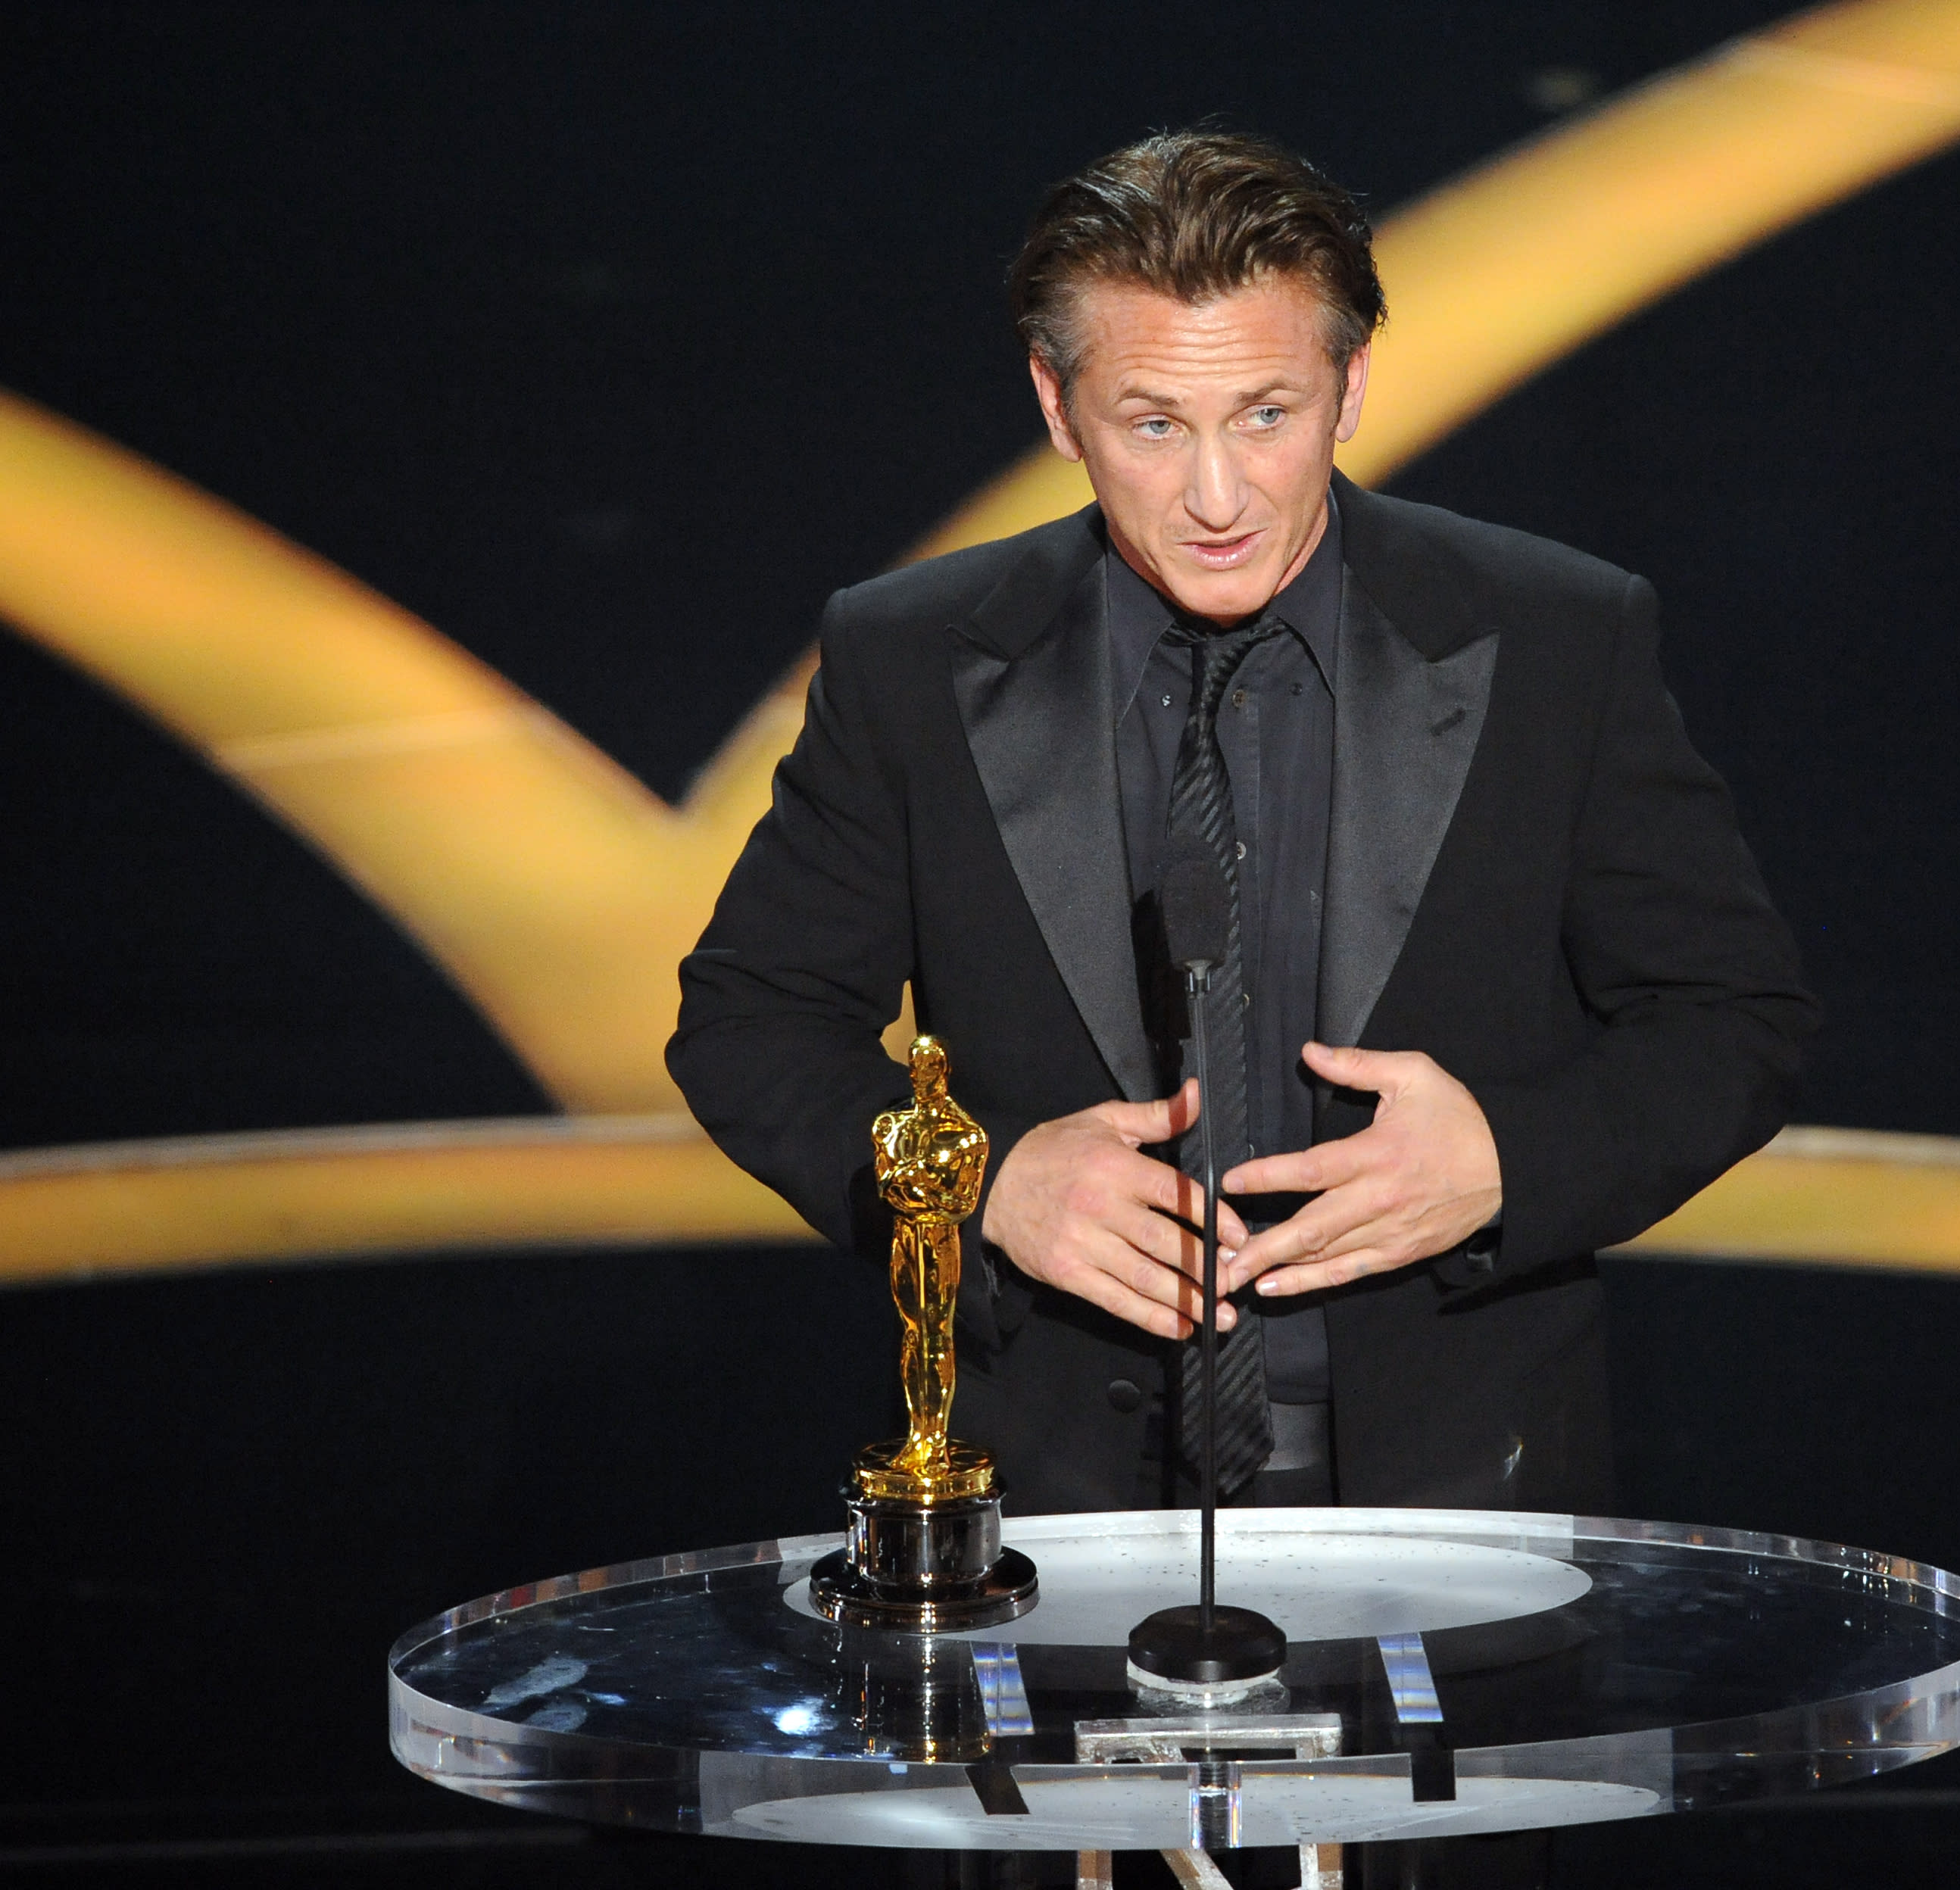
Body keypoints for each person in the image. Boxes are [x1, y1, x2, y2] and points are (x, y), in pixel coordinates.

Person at [669, 129, 1815, 1518]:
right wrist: (986, 1188)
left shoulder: (1557, 636)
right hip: (1053, 1506)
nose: (1218, 499)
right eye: (1155, 425)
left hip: (1466, 1499)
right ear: (1057, 406)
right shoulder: (911, 658)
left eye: (1266, 415)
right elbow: (751, 1020)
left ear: (1351, 384)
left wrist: (1508, 1162)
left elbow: (1734, 1019)